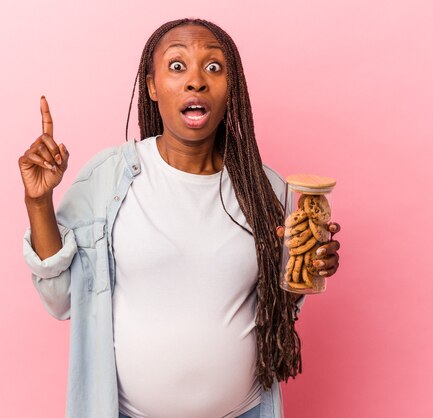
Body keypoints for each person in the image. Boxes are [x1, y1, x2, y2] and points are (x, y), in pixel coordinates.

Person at [19, 18, 340, 418]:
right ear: (152, 86)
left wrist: (308, 268)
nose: (196, 81)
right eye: (176, 66)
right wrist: (39, 202)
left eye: (213, 67)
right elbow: (61, 300)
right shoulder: (108, 179)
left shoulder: (265, 190)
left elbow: (279, 306)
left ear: (231, 87)